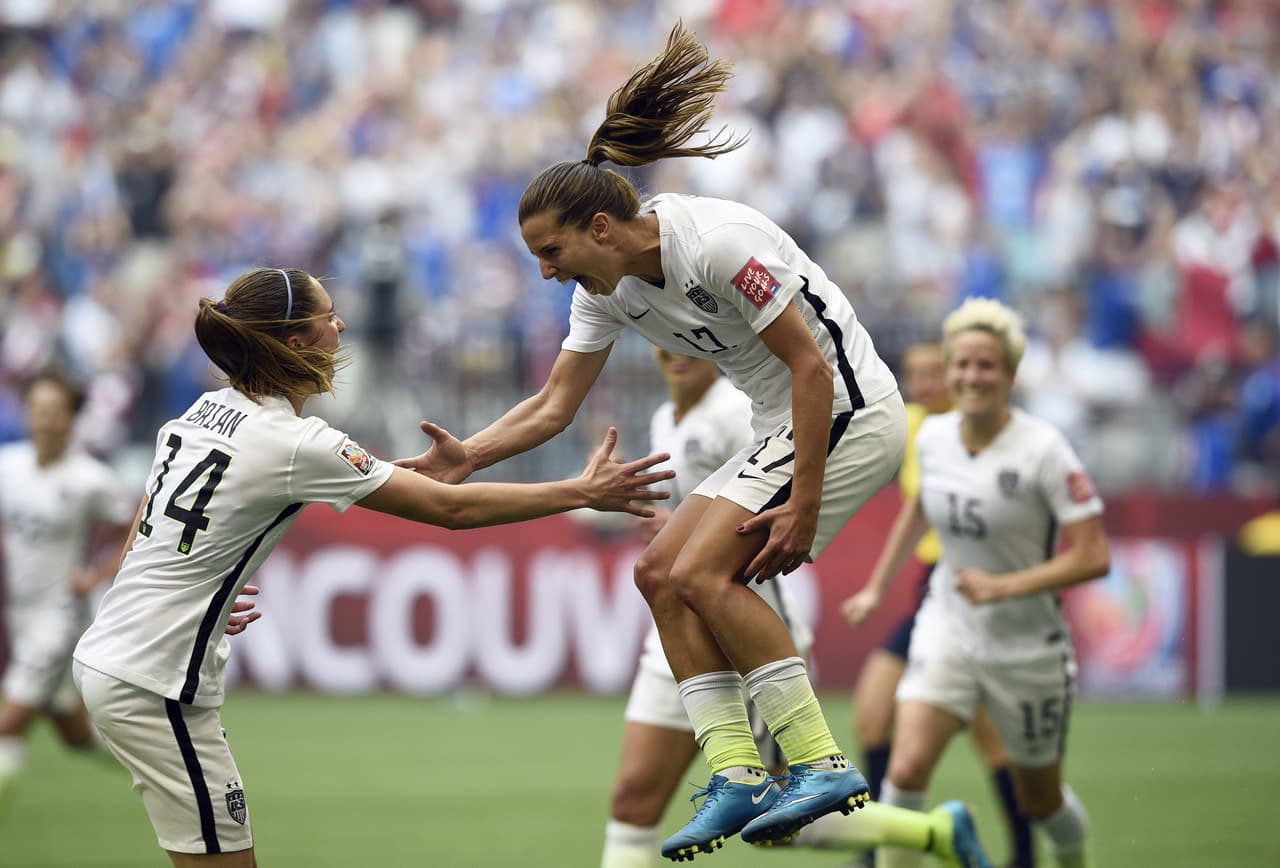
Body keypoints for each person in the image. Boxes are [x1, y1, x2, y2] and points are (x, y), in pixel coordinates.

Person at [395, 24, 986, 864]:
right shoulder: (607, 289)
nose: (545, 272)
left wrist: (805, 504)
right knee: (656, 572)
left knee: (698, 571)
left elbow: (812, 370)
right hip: (782, 424)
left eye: (550, 251)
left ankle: (818, 762)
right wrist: (470, 457)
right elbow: (555, 405)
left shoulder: (715, 242)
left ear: (601, 227)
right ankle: (739, 773)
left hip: (849, 413)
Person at [71, 267, 674, 868]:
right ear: (295, 343)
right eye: (327, 316)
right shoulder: (297, 442)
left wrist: (196, 599)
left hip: (119, 654)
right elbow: (451, 510)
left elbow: (153, 514)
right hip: (154, 681)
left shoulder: (204, 412)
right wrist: (580, 491)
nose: (341, 325)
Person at [847, 298, 1109, 868]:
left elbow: (1094, 557)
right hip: (948, 625)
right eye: (961, 364)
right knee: (907, 769)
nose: (971, 376)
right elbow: (920, 507)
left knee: (1040, 800)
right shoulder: (933, 437)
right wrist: (876, 586)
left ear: (1011, 375)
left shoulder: (1045, 450)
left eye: (986, 365)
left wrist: (1004, 587)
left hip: (1026, 644)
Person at [602, 348, 812, 867]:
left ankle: (927, 833)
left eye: (689, 342)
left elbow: (759, 517)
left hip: (737, 630)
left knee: (783, 819)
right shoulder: (664, 419)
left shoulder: (736, 412)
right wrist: (667, 526)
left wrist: (681, 534)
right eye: (663, 342)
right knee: (632, 799)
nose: (675, 352)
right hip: (674, 631)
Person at [840, 342, 1035, 867]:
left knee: (991, 740)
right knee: (872, 717)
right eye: (913, 375)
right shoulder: (917, 428)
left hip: (974, 591)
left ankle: (1024, 852)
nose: (922, 385)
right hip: (929, 590)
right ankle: (877, 844)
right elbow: (911, 506)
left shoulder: (988, 437)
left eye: (932, 375)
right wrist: (877, 588)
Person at [0, 370, 134, 815]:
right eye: (38, 411)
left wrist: (95, 576)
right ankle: (159, 762)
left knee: (9, 722)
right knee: (74, 736)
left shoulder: (90, 479)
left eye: (55, 412)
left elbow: (131, 534)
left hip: (59, 616)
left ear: (72, 419)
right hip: (18, 611)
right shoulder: (8, 467)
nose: (45, 421)